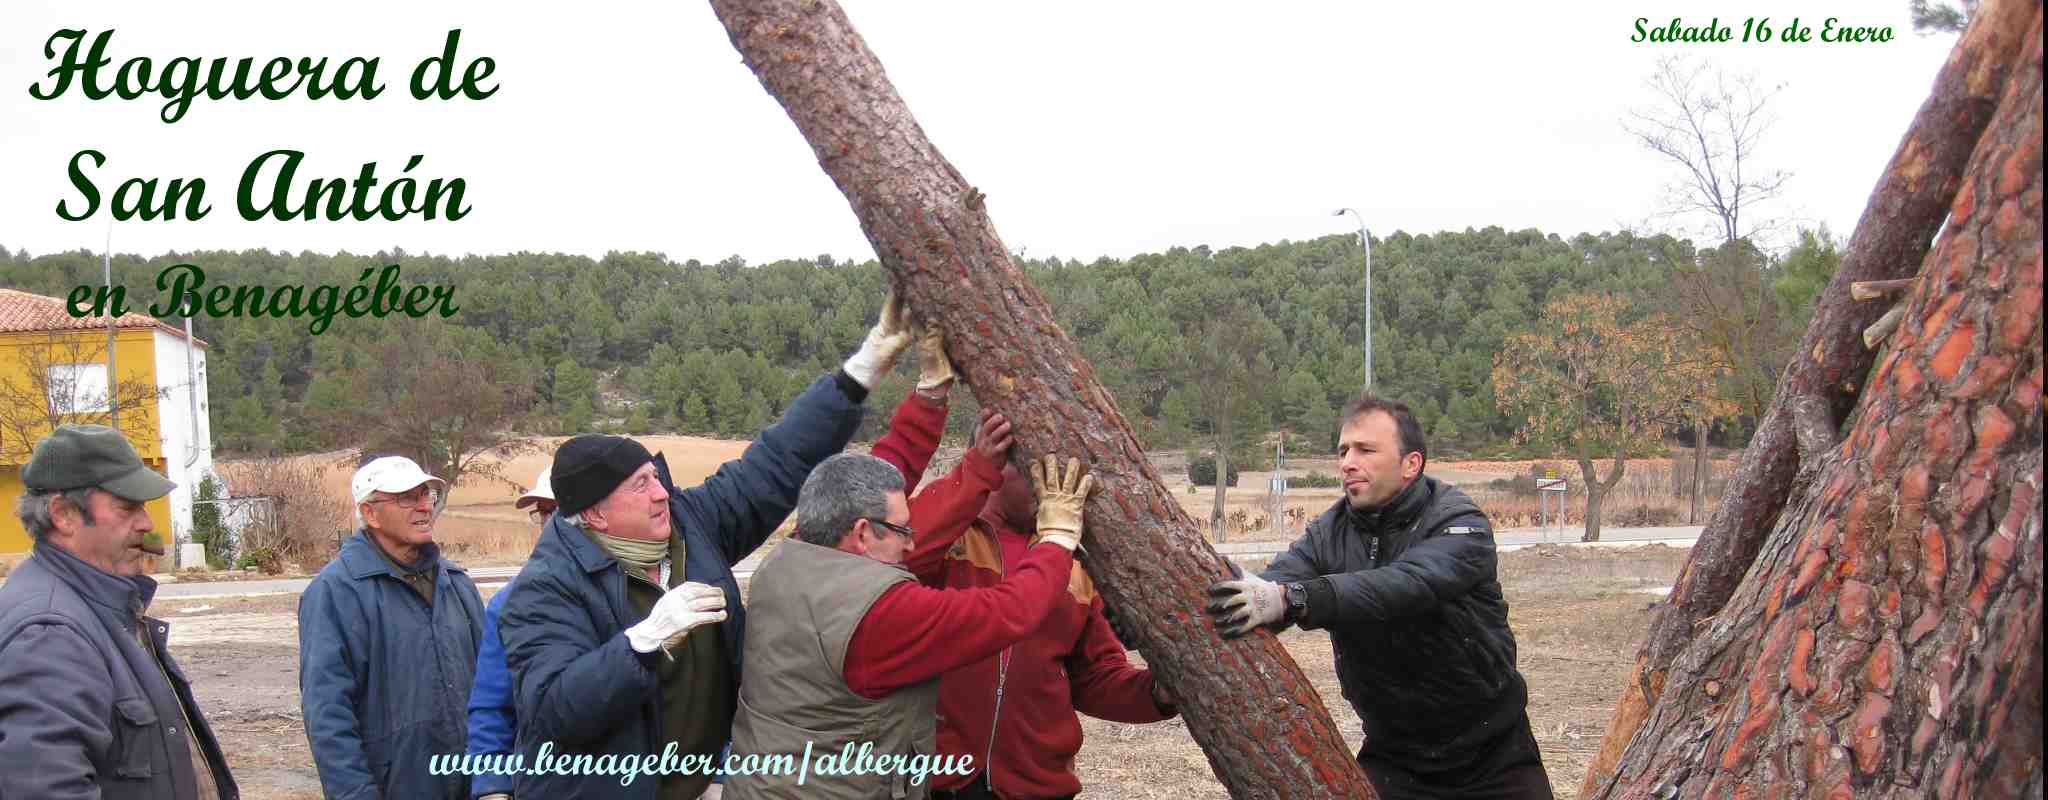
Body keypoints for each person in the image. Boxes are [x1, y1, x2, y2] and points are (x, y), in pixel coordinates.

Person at [497, 295, 914, 800]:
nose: (659, 494)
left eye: (655, 477)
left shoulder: (692, 522)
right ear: (594, 515)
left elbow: (777, 460)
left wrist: (862, 368)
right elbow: (552, 714)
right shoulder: (545, 589)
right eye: (639, 486)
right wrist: (642, 641)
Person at [1204, 394, 1552, 799]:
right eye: (1343, 451)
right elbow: (1267, 589)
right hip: (1394, 757)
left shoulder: (1459, 521)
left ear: (1411, 464)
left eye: (1366, 450)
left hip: (1494, 756)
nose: (1348, 462)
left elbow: (1406, 585)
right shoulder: (1327, 533)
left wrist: (1294, 598)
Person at [725, 452, 1097, 799]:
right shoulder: (881, 613)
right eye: (904, 530)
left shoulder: (789, 558)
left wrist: (929, 398)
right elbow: (1007, 611)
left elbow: (862, 478)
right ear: (862, 534)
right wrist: (1058, 540)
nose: (911, 544)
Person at [895, 428, 1176, 800]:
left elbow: (1093, 675)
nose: (1056, 489)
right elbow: (902, 557)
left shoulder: (1070, 562)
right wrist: (975, 472)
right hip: (937, 782)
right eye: (1041, 473)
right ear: (999, 468)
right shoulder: (949, 540)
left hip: (1038, 786)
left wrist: (1157, 695)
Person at [0, 423, 240, 799]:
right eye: (128, 506)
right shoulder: (50, 634)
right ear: (63, 514)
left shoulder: (101, 607)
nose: (146, 523)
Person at [300, 454, 486, 800]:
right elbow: (328, 715)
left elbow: (492, 690)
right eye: (406, 498)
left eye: (426, 495)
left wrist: (496, 783)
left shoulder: (456, 583)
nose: (423, 507)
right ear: (370, 513)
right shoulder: (336, 592)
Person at [464, 466, 555, 800]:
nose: (549, 522)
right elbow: (491, 707)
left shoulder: (646, 591)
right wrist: (491, 788)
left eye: (559, 510)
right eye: (543, 512)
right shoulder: (509, 603)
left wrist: (714, 772)